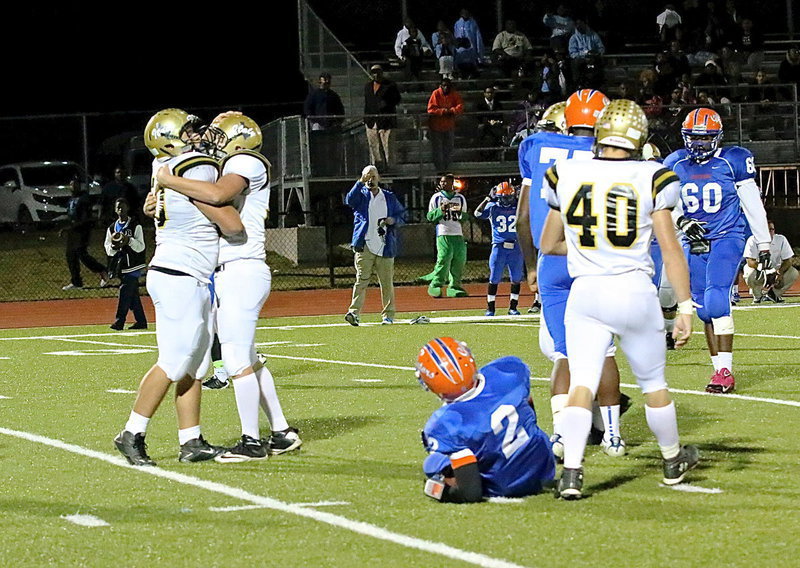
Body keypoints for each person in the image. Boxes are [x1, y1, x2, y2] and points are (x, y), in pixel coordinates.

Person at [539, 98, 698, 499]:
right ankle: (671, 459)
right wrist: (684, 306)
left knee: (582, 384)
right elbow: (671, 249)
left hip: (586, 293)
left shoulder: (566, 173)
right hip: (633, 290)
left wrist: (585, 250)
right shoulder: (653, 175)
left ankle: (572, 473)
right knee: (653, 384)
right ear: (639, 137)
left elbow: (548, 242)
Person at [154, 111, 302, 461]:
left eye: (220, 135)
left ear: (240, 138)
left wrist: (169, 181)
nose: (211, 139)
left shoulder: (246, 160)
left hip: (240, 268)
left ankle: (252, 442)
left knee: (235, 359)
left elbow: (219, 195)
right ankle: (280, 432)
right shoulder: (231, 163)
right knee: (249, 358)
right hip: (228, 271)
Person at [114, 108, 244, 467]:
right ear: (170, 137)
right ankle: (131, 432)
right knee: (174, 361)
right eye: (187, 130)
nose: (196, 134)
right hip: (179, 274)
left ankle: (191, 440)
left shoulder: (168, 169)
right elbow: (225, 215)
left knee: (195, 365)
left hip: (187, 273)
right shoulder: (197, 164)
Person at [516, 92, 629, 459]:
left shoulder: (536, 146)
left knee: (563, 353)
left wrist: (531, 266)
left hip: (552, 261)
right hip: (592, 259)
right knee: (604, 350)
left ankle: (564, 437)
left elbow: (523, 218)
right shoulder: (613, 157)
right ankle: (612, 436)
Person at [664, 108, 771, 394]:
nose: (698, 144)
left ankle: (726, 370)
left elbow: (752, 204)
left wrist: (763, 243)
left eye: (705, 138)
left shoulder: (732, 160)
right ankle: (718, 370)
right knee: (702, 309)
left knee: (715, 299)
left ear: (718, 137)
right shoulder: (675, 163)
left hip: (727, 236)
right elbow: (666, 207)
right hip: (693, 240)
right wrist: (683, 222)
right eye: (694, 138)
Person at [417, 337, 555, 502]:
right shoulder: (509, 369)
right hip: (544, 466)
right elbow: (529, 410)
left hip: (504, 485)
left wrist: (439, 491)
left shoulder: (446, 423)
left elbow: (471, 492)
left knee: (435, 465)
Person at [343, 165, 406, 326]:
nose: (371, 179)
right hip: (364, 245)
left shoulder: (389, 197)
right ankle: (354, 312)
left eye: (373, 176)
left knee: (386, 282)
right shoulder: (361, 196)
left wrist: (393, 220)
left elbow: (402, 215)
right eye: (367, 176)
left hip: (385, 245)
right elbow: (349, 200)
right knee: (361, 280)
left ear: (379, 177)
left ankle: (388, 315)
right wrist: (360, 182)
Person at [474, 182, 523, 316]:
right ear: (497, 196)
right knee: (494, 278)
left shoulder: (519, 206)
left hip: (516, 246)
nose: (506, 200)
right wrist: (487, 199)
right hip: (499, 247)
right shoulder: (492, 206)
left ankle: (513, 307)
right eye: (504, 197)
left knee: (516, 278)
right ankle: (490, 308)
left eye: (508, 197)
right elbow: (477, 213)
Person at [104, 197, 147, 331]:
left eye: (123, 207)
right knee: (132, 295)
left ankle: (119, 321)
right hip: (121, 265)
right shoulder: (112, 228)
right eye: (118, 207)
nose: (120, 210)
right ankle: (141, 321)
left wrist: (128, 240)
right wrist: (114, 246)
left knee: (124, 291)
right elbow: (108, 248)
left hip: (133, 265)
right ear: (115, 210)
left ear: (128, 208)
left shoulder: (135, 225)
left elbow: (141, 247)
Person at [59, 177, 109, 291]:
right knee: (70, 256)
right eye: (71, 184)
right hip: (73, 231)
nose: (73, 186)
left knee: (82, 254)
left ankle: (102, 270)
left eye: (76, 184)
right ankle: (76, 282)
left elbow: (85, 218)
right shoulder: (71, 199)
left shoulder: (84, 198)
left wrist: (70, 227)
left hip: (82, 230)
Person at [425, 174, 468, 298]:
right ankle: (436, 284)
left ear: (452, 183)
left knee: (459, 260)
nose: (443, 184)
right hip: (443, 233)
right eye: (442, 182)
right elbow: (430, 216)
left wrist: (459, 212)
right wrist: (441, 210)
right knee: (444, 259)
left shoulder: (460, 198)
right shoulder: (436, 198)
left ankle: (454, 286)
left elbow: (465, 217)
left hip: (458, 233)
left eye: (446, 182)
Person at [744, 221, 798, 303]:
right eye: (767, 229)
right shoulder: (752, 240)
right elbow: (750, 261)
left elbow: (788, 260)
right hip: (759, 269)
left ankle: (774, 294)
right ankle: (758, 296)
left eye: (772, 229)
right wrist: (765, 271)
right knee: (749, 272)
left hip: (777, 269)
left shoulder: (781, 239)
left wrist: (780, 272)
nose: (770, 232)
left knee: (793, 273)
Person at [304, 72, 346, 176]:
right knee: (318, 149)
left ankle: (332, 171)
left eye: (328, 82)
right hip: (318, 125)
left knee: (332, 150)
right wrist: (314, 120)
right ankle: (317, 170)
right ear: (320, 82)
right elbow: (307, 108)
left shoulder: (333, 95)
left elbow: (340, 111)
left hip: (331, 127)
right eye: (324, 82)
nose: (326, 84)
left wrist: (337, 122)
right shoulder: (314, 95)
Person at [364, 65, 402, 171]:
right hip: (371, 121)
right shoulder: (368, 86)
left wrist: (387, 103)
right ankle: (376, 168)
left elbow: (397, 99)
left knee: (388, 147)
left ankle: (390, 168)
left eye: (378, 72)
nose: (376, 75)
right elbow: (367, 103)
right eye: (373, 72)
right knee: (374, 147)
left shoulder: (390, 85)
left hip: (386, 121)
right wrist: (366, 119)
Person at [427, 78, 464, 173]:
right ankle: (439, 169)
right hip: (436, 127)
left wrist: (452, 111)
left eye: (448, 86)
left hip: (449, 126)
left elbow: (460, 106)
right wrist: (443, 111)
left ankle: (447, 168)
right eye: (444, 85)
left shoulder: (454, 94)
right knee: (437, 149)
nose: (446, 87)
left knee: (448, 149)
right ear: (440, 86)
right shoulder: (436, 93)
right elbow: (431, 109)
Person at [475, 86, 505, 160]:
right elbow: (477, 117)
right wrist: (487, 122)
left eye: (491, 93)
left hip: (495, 126)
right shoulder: (479, 104)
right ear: (484, 94)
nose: (489, 94)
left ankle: (495, 156)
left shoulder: (498, 104)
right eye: (488, 93)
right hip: (484, 127)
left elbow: (500, 116)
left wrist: (496, 122)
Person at [453, 9, 484, 78]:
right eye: (463, 13)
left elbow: (477, 36)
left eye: (466, 12)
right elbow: (456, 35)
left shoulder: (473, 23)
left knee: (471, 61)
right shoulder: (457, 23)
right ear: (461, 14)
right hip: (460, 47)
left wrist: (479, 51)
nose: (465, 14)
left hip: (471, 46)